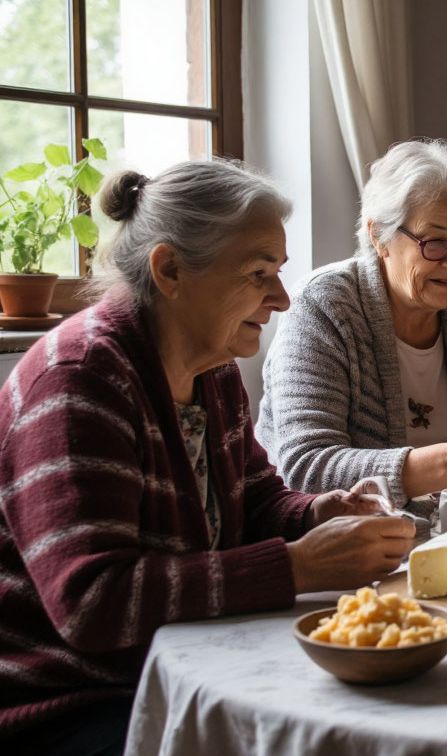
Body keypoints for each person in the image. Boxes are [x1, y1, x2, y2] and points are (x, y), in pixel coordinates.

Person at [0, 161, 415, 754]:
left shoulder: (211, 370)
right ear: (169, 269)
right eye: (257, 273)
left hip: (178, 666)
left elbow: (256, 501)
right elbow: (93, 602)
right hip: (69, 704)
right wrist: (299, 566)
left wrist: (319, 512)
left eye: (279, 271)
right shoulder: (78, 382)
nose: (280, 297)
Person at [257, 140, 447, 504]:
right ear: (379, 236)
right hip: (356, 543)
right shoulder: (324, 306)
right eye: (435, 243)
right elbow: (306, 468)